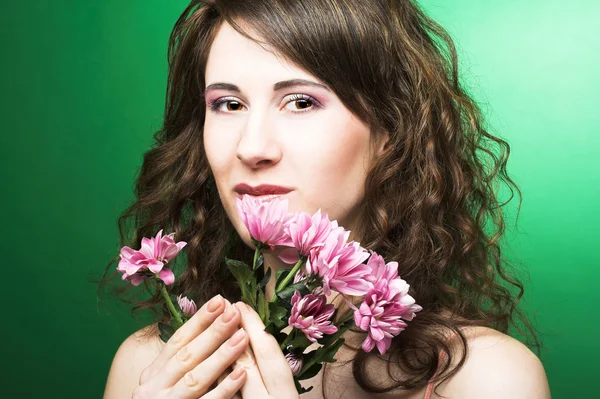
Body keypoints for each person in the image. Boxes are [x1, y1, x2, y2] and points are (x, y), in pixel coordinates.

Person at [100, 0, 551, 398]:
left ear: (391, 131)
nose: (252, 148)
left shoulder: (486, 380)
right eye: (229, 105)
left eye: (300, 102)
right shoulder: (149, 371)